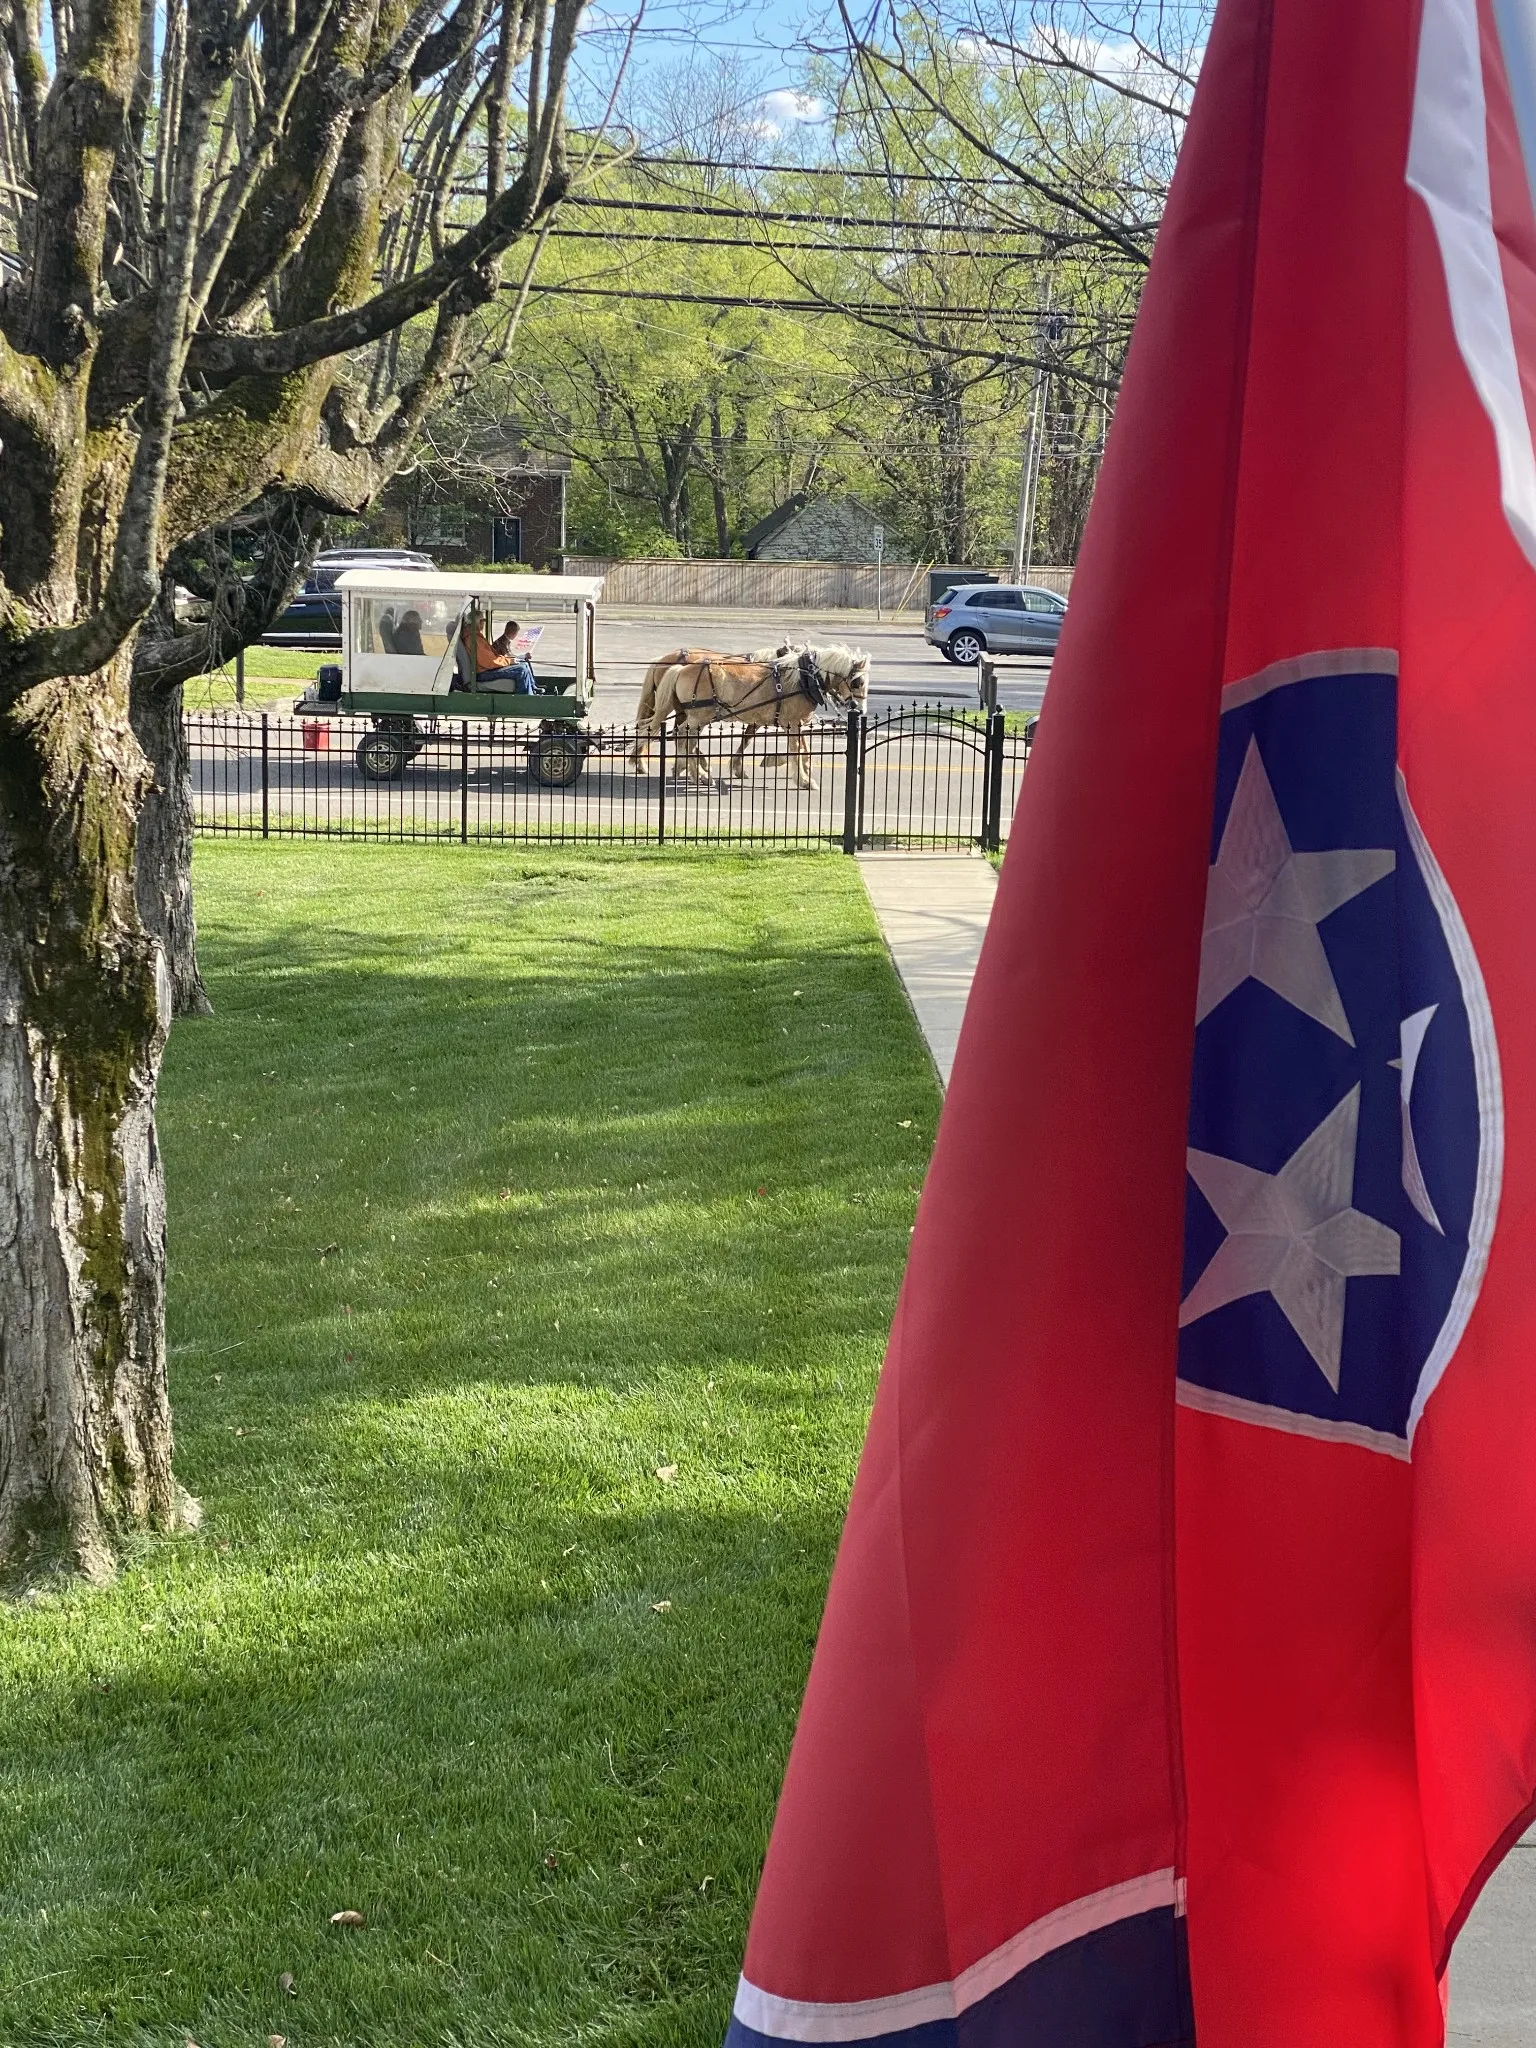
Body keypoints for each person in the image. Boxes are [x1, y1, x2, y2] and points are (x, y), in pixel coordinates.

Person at [472, 610, 537, 693]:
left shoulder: (478, 638)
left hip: (488, 668)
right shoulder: (475, 640)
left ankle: (532, 688)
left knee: (524, 665)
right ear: (478, 622)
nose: (484, 624)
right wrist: (510, 661)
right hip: (484, 672)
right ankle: (527, 698)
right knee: (522, 670)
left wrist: (510, 660)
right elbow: (490, 661)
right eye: (483, 621)